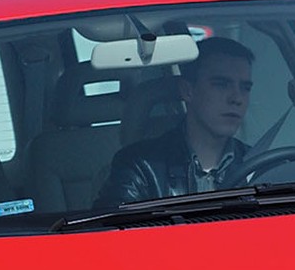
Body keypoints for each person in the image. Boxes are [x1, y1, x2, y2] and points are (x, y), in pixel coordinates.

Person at [97, 36, 254, 205]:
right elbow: (117, 219)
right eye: (221, 84)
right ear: (187, 91)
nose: (237, 98)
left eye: (245, 88)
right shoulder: (140, 167)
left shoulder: (257, 164)